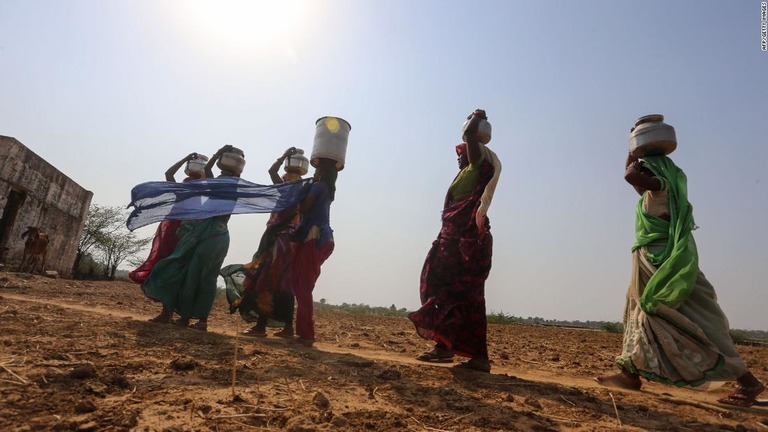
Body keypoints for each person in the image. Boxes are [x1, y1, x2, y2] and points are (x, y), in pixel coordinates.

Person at [595, 150, 764, 407]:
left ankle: (748, 382)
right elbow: (634, 177)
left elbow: (631, 176)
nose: (642, 176)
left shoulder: (661, 188)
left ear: (659, 175)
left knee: (695, 321)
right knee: (637, 316)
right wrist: (632, 150)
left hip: (668, 268)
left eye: (646, 171)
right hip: (651, 264)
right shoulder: (651, 195)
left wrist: (633, 164)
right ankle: (630, 374)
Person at [408, 109, 502, 373]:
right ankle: (449, 348)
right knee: (447, 291)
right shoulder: (464, 174)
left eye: (463, 154)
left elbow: (472, 135)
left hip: (466, 243)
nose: (459, 158)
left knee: (462, 296)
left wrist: (475, 117)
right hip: (452, 240)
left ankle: (462, 353)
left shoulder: (478, 167)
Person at [142, 144, 241, 331]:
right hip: (219, 235)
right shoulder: (235, 187)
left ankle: (188, 318)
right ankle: (196, 320)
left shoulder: (221, 187)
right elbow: (210, 171)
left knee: (191, 276)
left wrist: (218, 153)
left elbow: (210, 170)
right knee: (206, 279)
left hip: (207, 233)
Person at [221, 147, 303, 338]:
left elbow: (272, 171)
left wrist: (283, 156)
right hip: (287, 242)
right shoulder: (301, 196)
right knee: (282, 284)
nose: (282, 184)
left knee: (265, 282)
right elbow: (274, 174)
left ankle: (261, 326)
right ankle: (287, 328)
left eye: (284, 182)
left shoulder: (288, 194)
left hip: (277, 242)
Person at [130, 153, 205, 284]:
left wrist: (186, 159)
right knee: (175, 259)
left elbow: (169, 173)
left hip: (180, 228)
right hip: (185, 230)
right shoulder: (194, 191)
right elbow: (169, 174)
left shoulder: (183, 190)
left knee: (169, 257)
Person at [289, 158, 337, 347]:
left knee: (303, 286)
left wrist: (300, 193)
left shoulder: (319, 186)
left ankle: (307, 334)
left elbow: (304, 208)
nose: (313, 174)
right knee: (301, 284)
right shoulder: (327, 189)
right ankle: (303, 332)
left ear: (321, 174)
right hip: (319, 239)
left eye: (316, 171)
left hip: (314, 237)